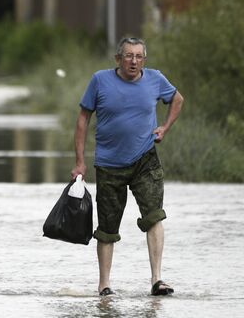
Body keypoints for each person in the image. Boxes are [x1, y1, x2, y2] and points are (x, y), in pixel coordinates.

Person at [70, 37, 184, 296]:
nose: (134, 61)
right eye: (128, 56)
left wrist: (164, 127)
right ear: (118, 59)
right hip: (109, 165)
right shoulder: (100, 80)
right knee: (107, 228)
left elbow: (177, 99)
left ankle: (157, 280)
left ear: (144, 59)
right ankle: (104, 285)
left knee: (154, 215)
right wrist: (80, 161)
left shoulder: (155, 79)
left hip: (146, 159)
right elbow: (82, 120)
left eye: (139, 56)